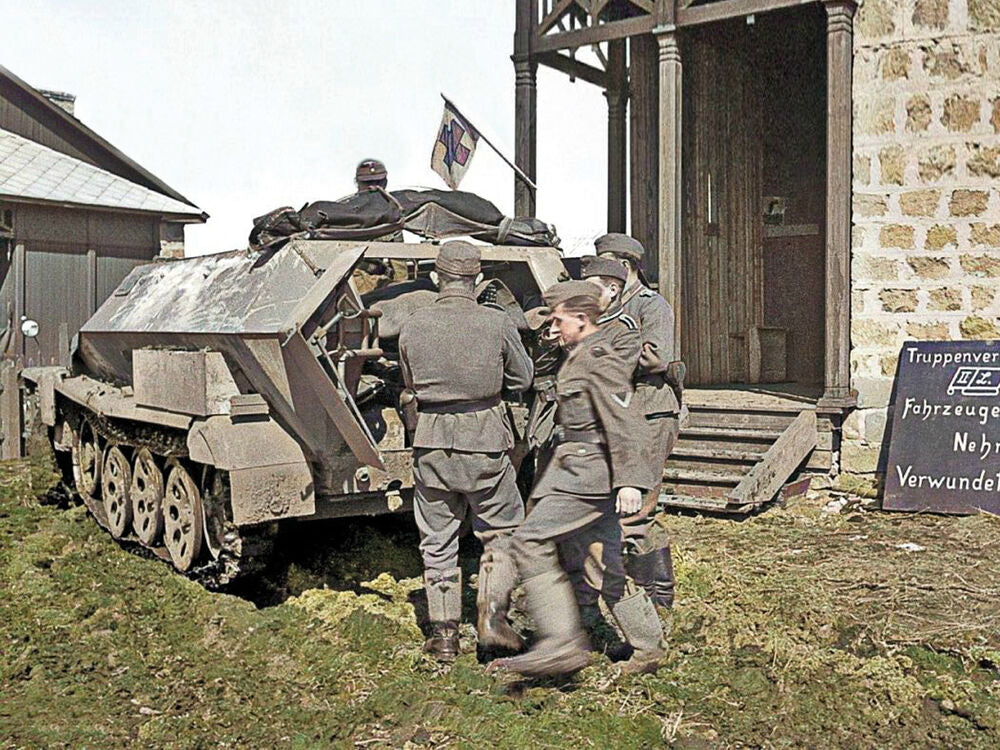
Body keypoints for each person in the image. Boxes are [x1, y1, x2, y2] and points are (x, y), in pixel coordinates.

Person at [490, 281, 668, 677]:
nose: (552, 328)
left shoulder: (598, 359)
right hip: (580, 467)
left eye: (558, 320)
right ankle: (648, 645)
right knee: (601, 561)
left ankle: (560, 646)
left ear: (583, 319)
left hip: (586, 473)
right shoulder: (579, 354)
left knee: (528, 542)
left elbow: (626, 420)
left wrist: (630, 482)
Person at [398, 241, 533, 660]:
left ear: (437, 278)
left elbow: (407, 380)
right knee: (501, 533)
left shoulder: (414, 323)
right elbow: (523, 378)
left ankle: (443, 637)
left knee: (436, 539)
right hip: (486, 441)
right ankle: (492, 623)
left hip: (431, 442)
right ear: (475, 280)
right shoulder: (495, 322)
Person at [595, 233, 681, 610]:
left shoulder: (650, 305)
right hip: (625, 409)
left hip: (650, 409)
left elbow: (655, 358)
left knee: (639, 506)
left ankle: (658, 598)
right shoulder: (612, 305)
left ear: (626, 268)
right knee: (622, 505)